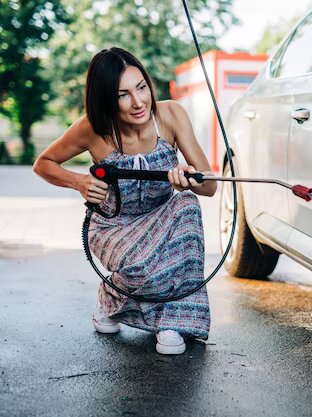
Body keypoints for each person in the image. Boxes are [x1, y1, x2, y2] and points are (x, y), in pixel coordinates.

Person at [33, 47, 217, 355]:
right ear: (106, 98)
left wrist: (190, 177)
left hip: (161, 218)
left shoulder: (171, 115)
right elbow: (44, 163)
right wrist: (79, 182)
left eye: (141, 87)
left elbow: (210, 187)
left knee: (187, 205)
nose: (138, 102)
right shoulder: (92, 127)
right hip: (113, 226)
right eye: (123, 95)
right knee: (143, 267)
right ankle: (111, 295)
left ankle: (172, 321)